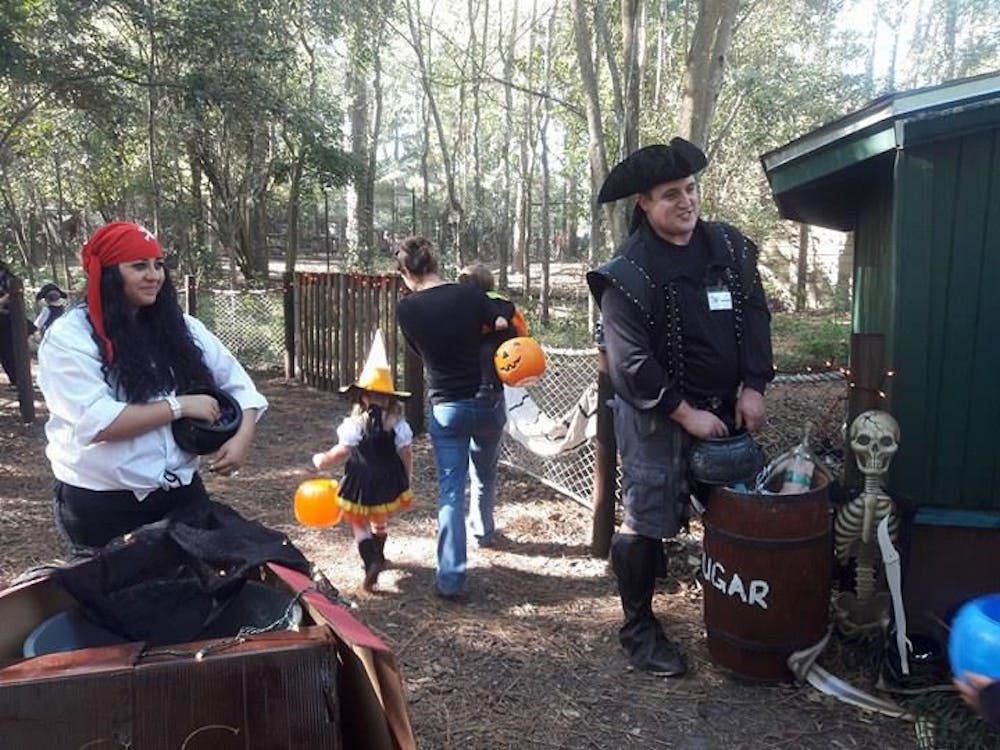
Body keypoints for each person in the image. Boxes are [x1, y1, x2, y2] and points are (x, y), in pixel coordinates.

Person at [586, 138, 775, 676]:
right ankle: (638, 629)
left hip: (727, 409)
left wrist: (754, 385)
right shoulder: (627, 272)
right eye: (671, 194)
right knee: (645, 520)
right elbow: (630, 363)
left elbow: (755, 315)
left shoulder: (730, 248)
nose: (686, 202)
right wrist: (686, 414)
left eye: (690, 189)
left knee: (737, 510)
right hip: (655, 417)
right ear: (644, 203)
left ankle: (737, 609)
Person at [37, 221, 269, 552]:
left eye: (158, 265)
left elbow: (241, 387)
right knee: (116, 585)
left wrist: (242, 438)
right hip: (102, 503)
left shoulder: (183, 327)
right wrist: (179, 407)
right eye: (139, 266)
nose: (154, 276)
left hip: (181, 494)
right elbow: (98, 422)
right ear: (108, 274)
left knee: (200, 581)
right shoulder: (70, 337)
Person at [395, 237, 508, 601]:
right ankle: (483, 530)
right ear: (434, 262)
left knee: (450, 490)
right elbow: (502, 320)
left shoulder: (407, 308)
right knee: (485, 472)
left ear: (405, 271)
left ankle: (450, 578)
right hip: (488, 401)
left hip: (447, 407)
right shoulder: (469, 294)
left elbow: (417, 351)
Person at [311, 329, 414, 592]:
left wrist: (323, 460)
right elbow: (406, 453)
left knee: (359, 523)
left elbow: (343, 450)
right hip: (389, 479)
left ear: (362, 397)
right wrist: (406, 478)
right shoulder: (399, 424)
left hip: (360, 480)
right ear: (390, 399)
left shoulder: (355, 423)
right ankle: (380, 553)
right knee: (380, 515)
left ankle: (371, 561)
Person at [457, 262, 527, 398]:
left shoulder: (489, 300)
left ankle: (488, 385)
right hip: (510, 342)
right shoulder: (497, 297)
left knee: (486, 351)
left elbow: (504, 316)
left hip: (501, 338)